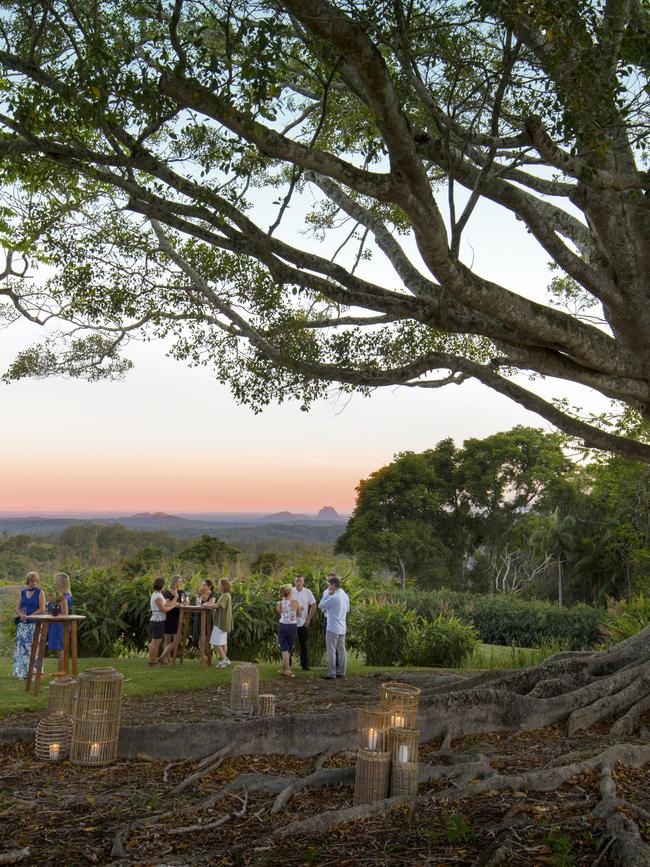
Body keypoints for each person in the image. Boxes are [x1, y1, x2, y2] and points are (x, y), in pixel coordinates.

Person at [12, 571, 46, 678]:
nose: (34, 583)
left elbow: (42, 609)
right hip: (23, 625)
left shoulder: (40, 592)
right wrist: (22, 615)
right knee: (22, 648)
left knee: (34, 648)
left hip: (35, 624)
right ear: (28, 581)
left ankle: (35, 673)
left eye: (36, 581)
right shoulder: (22, 592)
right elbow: (18, 608)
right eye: (31, 581)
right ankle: (22, 672)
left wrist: (30, 616)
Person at [318, 574, 349, 680]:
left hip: (332, 627)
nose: (328, 587)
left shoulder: (334, 597)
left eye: (329, 585)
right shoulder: (344, 595)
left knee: (331, 650)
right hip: (342, 627)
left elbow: (320, 605)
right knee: (341, 650)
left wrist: (327, 595)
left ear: (333, 585)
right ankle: (342, 671)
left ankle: (331, 673)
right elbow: (347, 609)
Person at [149, 577, 179, 666]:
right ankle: (153, 662)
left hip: (159, 620)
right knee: (155, 643)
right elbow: (163, 609)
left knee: (155, 642)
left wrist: (175, 600)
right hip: (157, 621)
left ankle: (153, 661)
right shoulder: (157, 596)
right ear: (162, 585)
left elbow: (166, 604)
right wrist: (174, 606)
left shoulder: (158, 594)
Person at [290, 574, 316, 670]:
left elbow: (313, 606)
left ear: (303, 582)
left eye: (300, 581)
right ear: (294, 582)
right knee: (289, 645)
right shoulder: (290, 591)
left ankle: (305, 666)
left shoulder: (308, 592)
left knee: (303, 645)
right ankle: (288, 665)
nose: (299, 583)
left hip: (303, 623)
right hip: (291, 622)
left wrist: (308, 620)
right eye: (297, 581)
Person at [205, 579, 233, 667]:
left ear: (223, 586)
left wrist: (206, 605)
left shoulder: (225, 595)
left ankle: (225, 659)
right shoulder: (227, 595)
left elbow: (217, 605)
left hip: (221, 622)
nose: (218, 586)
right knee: (223, 643)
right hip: (224, 622)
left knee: (215, 642)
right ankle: (223, 661)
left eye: (219, 584)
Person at [47, 572, 72, 670]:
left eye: (55, 581)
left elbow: (64, 614)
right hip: (55, 625)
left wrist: (52, 614)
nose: (54, 583)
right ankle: (61, 674)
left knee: (61, 650)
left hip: (60, 626)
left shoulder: (63, 597)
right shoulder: (60, 596)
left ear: (60, 583)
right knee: (59, 651)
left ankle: (62, 675)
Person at [276, 584, 300, 677]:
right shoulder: (295, 602)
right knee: (288, 648)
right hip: (292, 626)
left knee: (284, 647)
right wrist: (300, 609)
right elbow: (299, 615)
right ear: (290, 592)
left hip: (283, 626)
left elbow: (281, 614)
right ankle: (287, 670)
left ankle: (285, 669)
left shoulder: (279, 603)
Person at [163, 575, 184, 656]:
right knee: (167, 639)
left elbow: (185, 602)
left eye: (180, 581)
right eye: (179, 581)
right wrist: (176, 597)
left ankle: (162, 656)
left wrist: (182, 603)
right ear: (174, 582)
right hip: (168, 617)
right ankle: (166, 658)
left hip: (179, 617)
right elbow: (167, 604)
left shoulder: (181, 592)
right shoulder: (166, 592)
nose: (180, 583)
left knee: (178, 639)